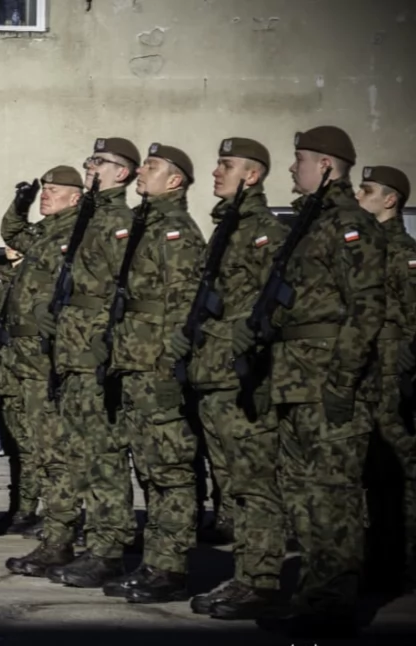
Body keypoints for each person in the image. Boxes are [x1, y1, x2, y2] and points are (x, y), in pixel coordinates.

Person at [231, 126, 384, 637]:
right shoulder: (306, 224)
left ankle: (334, 604)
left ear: (325, 166)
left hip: (326, 381)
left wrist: (342, 382)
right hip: (293, 378)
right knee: (301, 495)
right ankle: (314, 594)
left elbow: (366, 308)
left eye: (299, 160)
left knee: (333, 496)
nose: (292, 169)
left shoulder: (348, 223)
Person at [173, 138, 289, 619]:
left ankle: (260, 581)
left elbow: (280, 301)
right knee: (232, 484)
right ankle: (245, 576)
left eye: (227, 165)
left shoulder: (265, 232)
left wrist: (249, 340)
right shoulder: (227, 231)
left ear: (253, 175)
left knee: (253, 483)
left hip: (239, 378)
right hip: (212, 375)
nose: (216, 171)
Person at [91, 144, 206, 604]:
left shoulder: (176, 230)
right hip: (132, 363)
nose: (143, 171)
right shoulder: (145, 224)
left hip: (155, 366)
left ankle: (171, 567)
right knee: (151, 471)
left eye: (153, 167)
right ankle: (154, 562)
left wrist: (168, 368)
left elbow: (183, 306)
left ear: (174, 180)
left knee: (170, 470)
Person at [41, 138, 142, 589]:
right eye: (90, 161)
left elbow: (126, 295)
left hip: (95, 356)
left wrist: (109, 349)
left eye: (99, 162)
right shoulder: (90, 220)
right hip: (73, 356)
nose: (91, 167)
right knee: (81, 456)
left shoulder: (121, 222)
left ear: (123, 173)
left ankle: (108, 549)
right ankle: (93, 543)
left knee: (103, 457)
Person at [0, 168, 82, 548]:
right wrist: (20, 203)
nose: (47, 195)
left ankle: (61, 524)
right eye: (45, 190)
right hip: (21, 359)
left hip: (48, 355)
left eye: (54, 191)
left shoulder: (78, 234)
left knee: (53, 448)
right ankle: (35, 515)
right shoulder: (43, 235)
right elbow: (12, 232)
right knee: (30, 446)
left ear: (75, 198)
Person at [354, 164, 416, 591]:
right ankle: (378, 552)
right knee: (371, 466)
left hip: (392, 369)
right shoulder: (365, 247)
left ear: (390, 200)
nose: (360, 196)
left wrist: (404, 367)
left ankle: (403, 557)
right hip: (368, 365)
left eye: (368, 190)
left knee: (398, 464)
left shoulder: (403, 251)